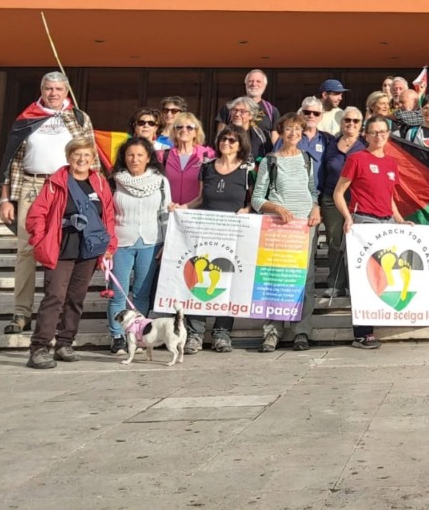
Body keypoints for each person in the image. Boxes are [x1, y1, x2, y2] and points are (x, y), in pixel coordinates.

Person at [0, 72, 97, 335]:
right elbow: (11, 160)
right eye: (48, 88)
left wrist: (91, 195)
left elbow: (90, 157)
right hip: (30, 186)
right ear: (42, 90)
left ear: (67, 92)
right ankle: (21, 312)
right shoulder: (26, 118)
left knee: (63, 251)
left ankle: (56, 311)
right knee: (26, 251)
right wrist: (5, 197)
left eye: (58, 89)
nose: (53, 93)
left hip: (66, 188)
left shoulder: (79, 118)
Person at [24, 136, 116, 369]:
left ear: (93, 158)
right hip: (60, 246)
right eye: (77, 155)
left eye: (87, 155)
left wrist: (109, 247)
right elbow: (36, 215)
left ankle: (65, 342)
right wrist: (40, 239)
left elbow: (108, 216)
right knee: (54, 296)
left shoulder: (100, 184)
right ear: (69, 157)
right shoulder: (56, 182)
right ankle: (39, 347)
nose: (82, 159)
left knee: (76, 298)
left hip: (88, 249)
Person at [331, 116, 411, 349]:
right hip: (364, 222)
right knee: (364, 278)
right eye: (374, 132)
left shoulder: (391, 163)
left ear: (388, 134)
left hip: (386, 224)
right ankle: (362, 333)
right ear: (365, 135)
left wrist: (399, 220)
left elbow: (390, 197)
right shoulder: (357, 159)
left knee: (385, 275)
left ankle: (380, 319)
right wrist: (348, 218)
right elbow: (338, 193)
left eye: (383, 132)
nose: (378, 136)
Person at [251, 112, 322, 351]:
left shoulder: (307, 160)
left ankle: (301, 330)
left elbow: (313, 191)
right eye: (289, 129)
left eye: (297, 130)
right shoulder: (269, 161)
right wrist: (277, 207)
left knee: (305, 278)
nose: (293, 134)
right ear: (281, 132)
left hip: (304, 226)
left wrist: (316, 208)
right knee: (276, 277)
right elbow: (257, 199)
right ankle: (272, 331)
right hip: (278, 227)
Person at [181, 126, 255, 352]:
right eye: (224, 138)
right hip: (206, 233)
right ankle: (195, 333)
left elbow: (254, 199)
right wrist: (182, 208)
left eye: (232, 140)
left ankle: (222, 332)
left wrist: (248, 209)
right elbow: (201, 198)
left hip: (233, 235)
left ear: (240, 144)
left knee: (227, 282)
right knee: (198, 279)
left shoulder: (248, 170)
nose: (227, 143)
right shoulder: (207, 168)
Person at [105, 137, 172, 355]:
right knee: (119, 293)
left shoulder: (161, 181)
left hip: (151, 242)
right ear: (123, 157)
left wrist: (167, 242)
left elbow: (164, 214)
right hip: (121, 242)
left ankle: (137, 333)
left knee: (142, 293)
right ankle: (117, 336)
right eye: (130, 155)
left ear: (148, 158)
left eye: (140, 155)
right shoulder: (114, 181)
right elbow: (107, 214)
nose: (135, 159)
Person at [319, 107, 368, 299]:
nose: (351, 124)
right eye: (347, 120)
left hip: (357, 201)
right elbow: (322, 172)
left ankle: (357, 284)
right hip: (331, 199)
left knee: (356, 243)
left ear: (361, 124)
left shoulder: (365, 144)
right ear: (341, 122)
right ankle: (336, 284)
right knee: (334, 242)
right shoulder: (331, 144)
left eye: (356, 121)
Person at [161, 112, 215, 206]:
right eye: (179, 127)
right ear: (174, 131)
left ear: (196, 132)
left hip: (195, 213)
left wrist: (186, 207)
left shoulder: (207, 155)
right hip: (169, 211)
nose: (184, 130)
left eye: (189, 127)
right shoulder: (163, 156)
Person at [227, 96, 274, 163]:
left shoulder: (260, 135)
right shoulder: (224, 134)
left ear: (251, 115)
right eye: (234, 110)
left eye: (242, 111)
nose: (237, 114)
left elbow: (268, 157)